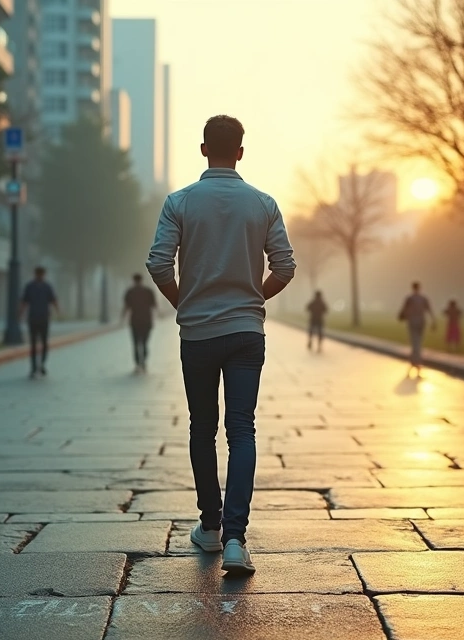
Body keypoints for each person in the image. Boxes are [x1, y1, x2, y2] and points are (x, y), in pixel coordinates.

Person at [147, 115, 296, 575]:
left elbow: (157, 263)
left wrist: (184, 302)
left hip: (198, 334)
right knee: (242, 430)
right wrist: (253, 300)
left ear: (203, 148)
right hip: (246, 333)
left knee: (202, 429)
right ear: (241, 152)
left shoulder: (180, 202)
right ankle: (236, 539)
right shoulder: (263, 204)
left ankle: (209, 528)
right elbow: (285, 266)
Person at [19, 267, 59, 378]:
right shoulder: (29, 287)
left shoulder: (47, 287)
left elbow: (53, 300)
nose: (40, 276)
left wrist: (58, 311)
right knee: (33, 344)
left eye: (41, 274)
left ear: (44, 275)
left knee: (44, 343)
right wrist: (20, 313)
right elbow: (24, 301)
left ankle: (42, 364)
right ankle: (33, 367)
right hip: (33, 318)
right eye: (38, 274)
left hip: (44, 318)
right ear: (35, 274)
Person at [122, 274, 157, 373]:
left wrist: (122, 318)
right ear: (142, 280)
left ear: (133, 280)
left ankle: (137, 364)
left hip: (135, 321)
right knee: (145, 343)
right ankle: (144, 362)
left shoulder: (130, 292)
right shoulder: (148, 291)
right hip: (147, 321)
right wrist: (160, 314)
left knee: (136, 343)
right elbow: (154, 305)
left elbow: (126, 306)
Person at [398, 281, 435, 371]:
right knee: (418, 341)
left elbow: (404, 309)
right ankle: (416, 359)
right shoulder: (423, 298)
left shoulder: (410, 298)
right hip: (421, 321)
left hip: (412, 321)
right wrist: (433, 320)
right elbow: (429, 309)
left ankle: (415, 360)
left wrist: (403, 315)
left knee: (414, 341)